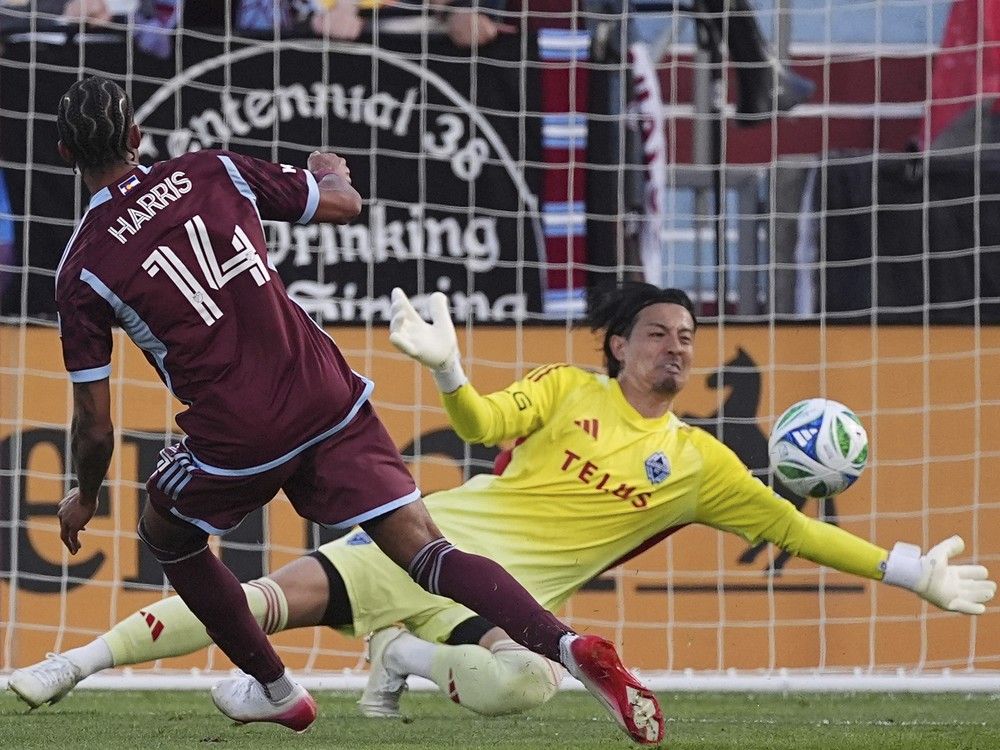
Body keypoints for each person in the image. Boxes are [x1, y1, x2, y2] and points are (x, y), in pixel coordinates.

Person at [11, 283, 996, 728]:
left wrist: (908, 572)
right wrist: (444, 370)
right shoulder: (567, 389)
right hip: (431, 540)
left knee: (529, 689)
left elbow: (794, 528)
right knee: (262, 600)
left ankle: (398, 658)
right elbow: (482, 420)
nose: (678, 350)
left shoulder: (698, 462)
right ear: (617, 344)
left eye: (688, 337)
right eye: (659, 333)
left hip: (501, 604)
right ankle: (71, 665)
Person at [34, 75, 664, 745]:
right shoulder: (209, 169)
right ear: (137, 138)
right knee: (426, 550)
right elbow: (342, 204)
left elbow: (95, 422)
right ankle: (569, 647)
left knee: (169, 535)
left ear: (65, 153)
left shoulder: (83, 267)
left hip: (236, 428)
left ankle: (278, 691)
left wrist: (84, 493)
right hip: (326, 393)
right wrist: (327, 170)